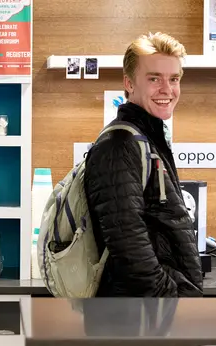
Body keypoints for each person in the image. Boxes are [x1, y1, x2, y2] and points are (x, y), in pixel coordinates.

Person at [83, 32, 203, 297]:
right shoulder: (119, 145)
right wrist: (171, 298)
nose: (167, 90)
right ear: (129, 84)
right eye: (154, 79)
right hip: (136, 318)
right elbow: (128, 247)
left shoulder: (146, 138)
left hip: (145, 314)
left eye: (174, 79)